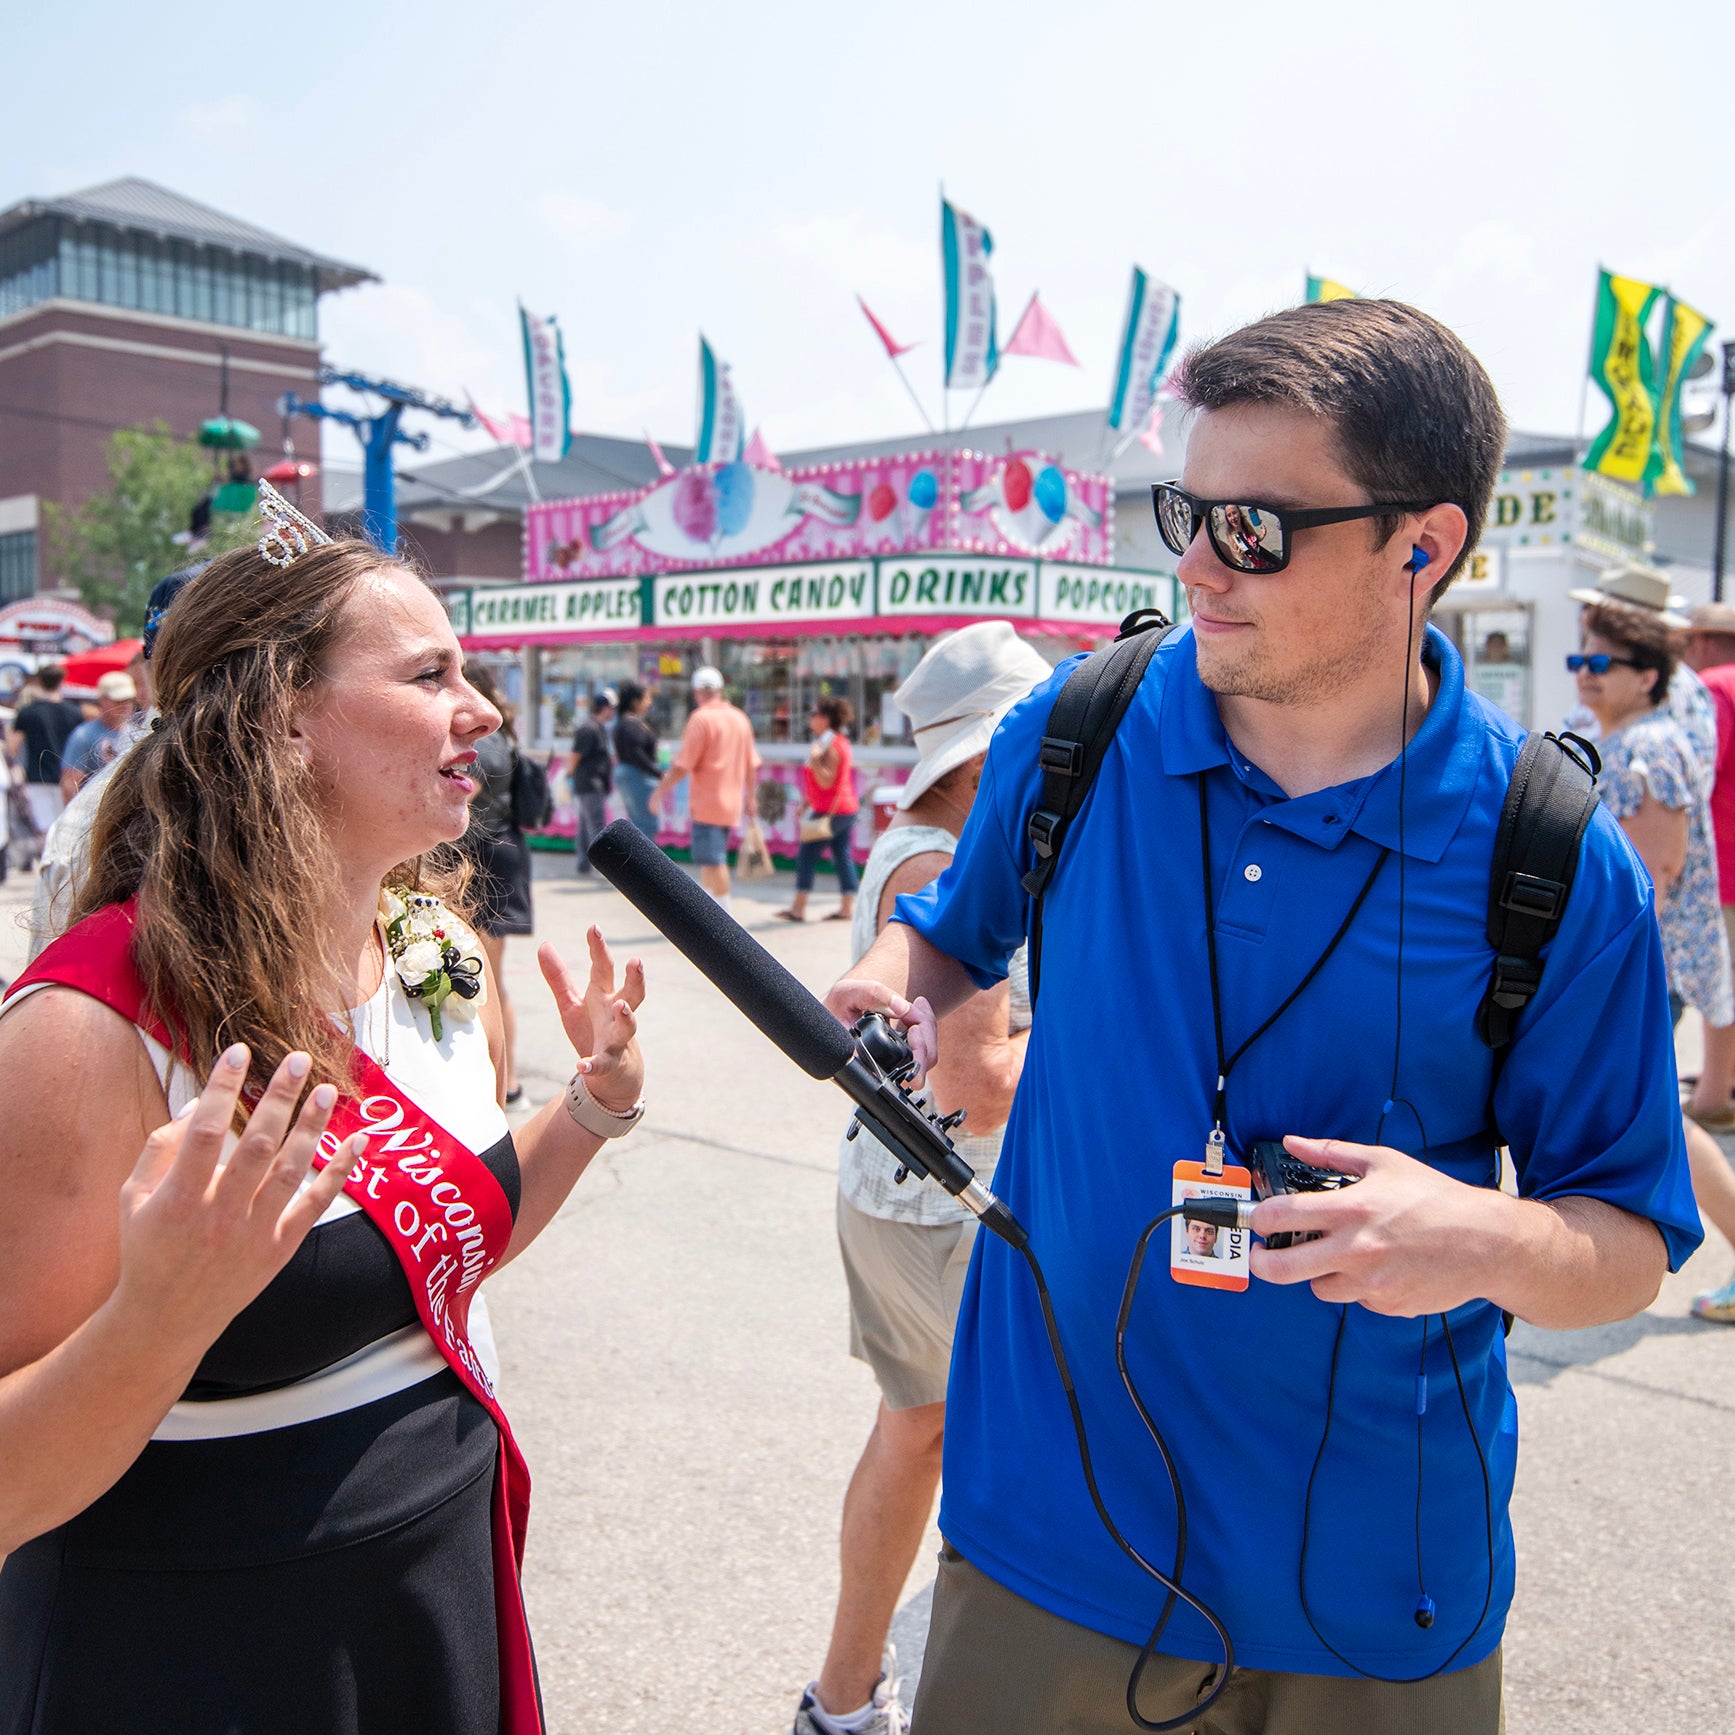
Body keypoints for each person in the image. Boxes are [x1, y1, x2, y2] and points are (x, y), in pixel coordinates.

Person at [827, 300, 1699, 1735]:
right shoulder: (1079, 730)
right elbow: (943, 938)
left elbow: (1621, 1246)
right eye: (1185, 509)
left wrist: (1483, 1236)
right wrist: (892, 984)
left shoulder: (1546, 857)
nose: (1191, 565)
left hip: (1373, 1592)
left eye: (1250, 527)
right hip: (1048, 1540)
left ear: (1418, 545)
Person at [0, 511, 648, 1734]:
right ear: (282, 716)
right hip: (195, 1649)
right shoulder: (85, 1030)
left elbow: (441, 1249)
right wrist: (162, 1314)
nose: (486, 712)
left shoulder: (436, 956)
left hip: (431, 1586)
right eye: (428, 676)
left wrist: (595, 1106)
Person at [793, 623, 1047, 1735]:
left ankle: (846, 1694)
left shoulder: (925, 837)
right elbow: (983, 1080)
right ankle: (871, 1693)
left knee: (919, 1429)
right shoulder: (947, 858)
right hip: (945, 1198)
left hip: (908, 1190)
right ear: (989, 757)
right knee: (981, 1445)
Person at [456, 665, 534, 1105]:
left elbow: (464, 793)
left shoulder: (481, 745)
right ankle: (508, 1082)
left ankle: (505, 1083)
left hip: (482, 858)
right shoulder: (505, 737)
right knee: (491, 978)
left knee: (485, 979)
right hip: (503, 853)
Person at [1678, 601, 1735, 1136]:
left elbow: (1703, 769)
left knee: (1721, 981)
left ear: (1705, 643)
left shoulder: (1715, 686)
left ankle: (1716, 1095)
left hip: (1724, 861)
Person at [653, 665, 761, 905]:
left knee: (713, 861)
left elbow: (683, 764)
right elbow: (751, 764)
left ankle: (723, 915)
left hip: (707, 803)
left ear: (696, 692)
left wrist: (659, 793)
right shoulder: (740, 718)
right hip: (731, 802)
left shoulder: (700, 719)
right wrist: (751, 797)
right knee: (712, 860)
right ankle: (713, 908)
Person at [780, 696, 862, 924]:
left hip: (831, 812)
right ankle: (846, 907)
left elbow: (827, 781)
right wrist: (806, 803)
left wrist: (815, 761)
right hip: (842, 809)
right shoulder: (833, 742)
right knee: (841, 856)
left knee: (807, 855)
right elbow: (822, 783)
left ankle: (798, 908)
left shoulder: (831, 746)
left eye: (814, 713)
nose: (811, 718)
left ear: (826, 718)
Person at [4, 661, 83, 837]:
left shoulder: (28, 712)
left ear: (40, 682)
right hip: (68, 778)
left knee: (45, 831)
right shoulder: (75, 712)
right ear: (61, 681)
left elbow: (12, 748)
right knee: (67, 830)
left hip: (37, 777)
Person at [59, 670, 139, 799]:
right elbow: (70, 782)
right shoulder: (83, 735)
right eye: (118, 700)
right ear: (102, 700)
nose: (125, 705)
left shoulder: (137, 734)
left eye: (129, 700)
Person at [569, 688, 616, 873]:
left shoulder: (597, 727)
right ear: (604, 708)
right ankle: (604, 867)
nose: (613, 712)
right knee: (596, 826)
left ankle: (584, 863)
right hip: (590, 784)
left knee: (585, 825)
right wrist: (568, 775)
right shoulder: (589, 729)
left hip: (591, 783)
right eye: (612, 708)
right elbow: (575, 755)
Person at [613, 680, 662, 838]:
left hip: (631, 773)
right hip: (637, 775)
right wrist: (657, 773)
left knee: (639, 822)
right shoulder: (631, 725)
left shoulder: (625, 723)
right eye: (646, 698)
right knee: (646, 825)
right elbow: (637, 754)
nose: (649, 702)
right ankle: (644, 861)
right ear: (635, 701)